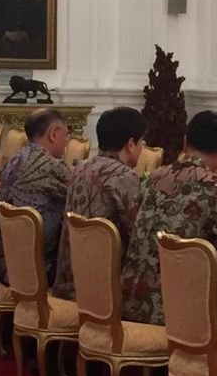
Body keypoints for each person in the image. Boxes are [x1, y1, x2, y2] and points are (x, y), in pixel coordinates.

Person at [121, 110, 217, 330]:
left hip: (130, 299)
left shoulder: (155, 176)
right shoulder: (214, 185)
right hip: (173, 311)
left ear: (185, 142)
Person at [52, 107, 146, 300]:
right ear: (130, 144)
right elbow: (138, 235)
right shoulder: (122, 176)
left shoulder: (80, 167)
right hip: (101, 292)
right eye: (142, 142)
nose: (143, 147)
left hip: (67, 281)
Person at [0, 109, 71, 284]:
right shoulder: (52, 166)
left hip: (3, 258)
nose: (67, 141)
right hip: (36, 266)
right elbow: (78, 193)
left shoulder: (15, 158)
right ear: (54, 134)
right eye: (66, 135)